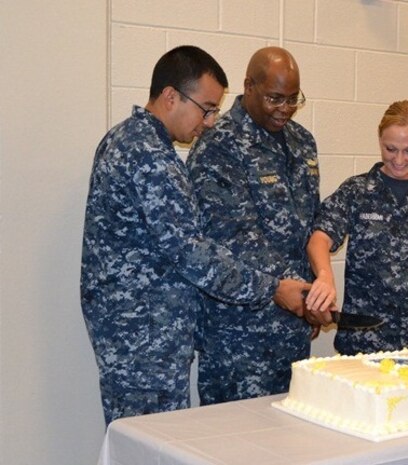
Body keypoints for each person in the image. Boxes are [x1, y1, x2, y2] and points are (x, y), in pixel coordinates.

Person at [81, 45, 309, 425]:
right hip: (144, 338)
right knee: (151, 445)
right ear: (171, 96)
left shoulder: (132, 140)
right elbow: (193, 254)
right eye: (206, 108)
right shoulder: (148, 155)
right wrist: (272, 288)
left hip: (143, 334)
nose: (209, 121)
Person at [187, 46, 321, 404]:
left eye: (294, 99)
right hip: (240, 335)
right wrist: (296, 292)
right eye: (275, 98)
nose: (285, 109)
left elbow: (307, 224)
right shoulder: (219, 143)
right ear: (249, 86)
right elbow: (232, 236)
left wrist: (313, 291)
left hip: (292, 329)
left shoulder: (303, 142)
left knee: (290, 445)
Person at [305, 100, 408, 355]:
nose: (399, 159)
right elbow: (319, 239)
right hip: (364, 343)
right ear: (379, 140)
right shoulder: (356, 191)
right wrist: (325, 276)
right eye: (390, 148)